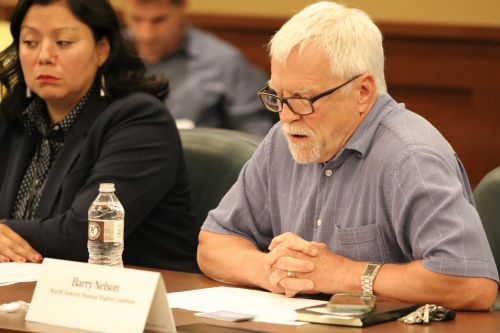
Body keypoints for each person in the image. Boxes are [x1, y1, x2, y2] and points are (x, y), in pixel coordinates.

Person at [197, 1, 499, 310]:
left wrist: (343, 274)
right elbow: (214, 244)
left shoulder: (411, 157)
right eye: (278, 96)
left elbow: (470, 284)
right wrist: (270, 269)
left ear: (363, 91)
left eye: (303, 99)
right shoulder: (283, 141)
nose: (285, 117)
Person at [0, 0, 199, 273]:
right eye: (30, 42)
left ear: (102, 50)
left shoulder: (139, 120)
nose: (43, 55)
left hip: (141, 297)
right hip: (32, 285)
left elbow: (86, 234)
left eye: (63, 42)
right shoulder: (16, 116)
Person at [122, 0, 275, 134]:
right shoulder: (109, 53)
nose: (146, 35)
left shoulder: (223, 61)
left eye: (159, 20)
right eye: (136, 19)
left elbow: (253, 134)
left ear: (181, 8)